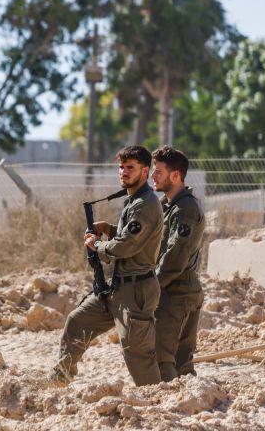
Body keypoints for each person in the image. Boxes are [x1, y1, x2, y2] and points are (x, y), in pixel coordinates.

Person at [52, 145, 164, 386]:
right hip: (117, 288)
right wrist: (110, 229)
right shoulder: (135, 201)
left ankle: (157, 403)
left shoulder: (145, 204)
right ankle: (60, 380)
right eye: (121, 168)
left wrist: (97, 246)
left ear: (145, 171)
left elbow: (125, 246)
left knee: (137, 355)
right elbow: (131, 236)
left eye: (130, 168)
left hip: (136, 291)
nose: (123, 173)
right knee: (77, 322)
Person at [150, 146, 205, 381]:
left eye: (158, 172)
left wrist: (152, 286)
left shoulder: (185, 209)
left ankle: (170, 413)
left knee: (162, 360)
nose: (153, 176)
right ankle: (190, 410)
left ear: (175, 176)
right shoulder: (168, 206)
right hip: (177, 290)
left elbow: (175, 256)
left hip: (178, 292)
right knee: (182, 364)